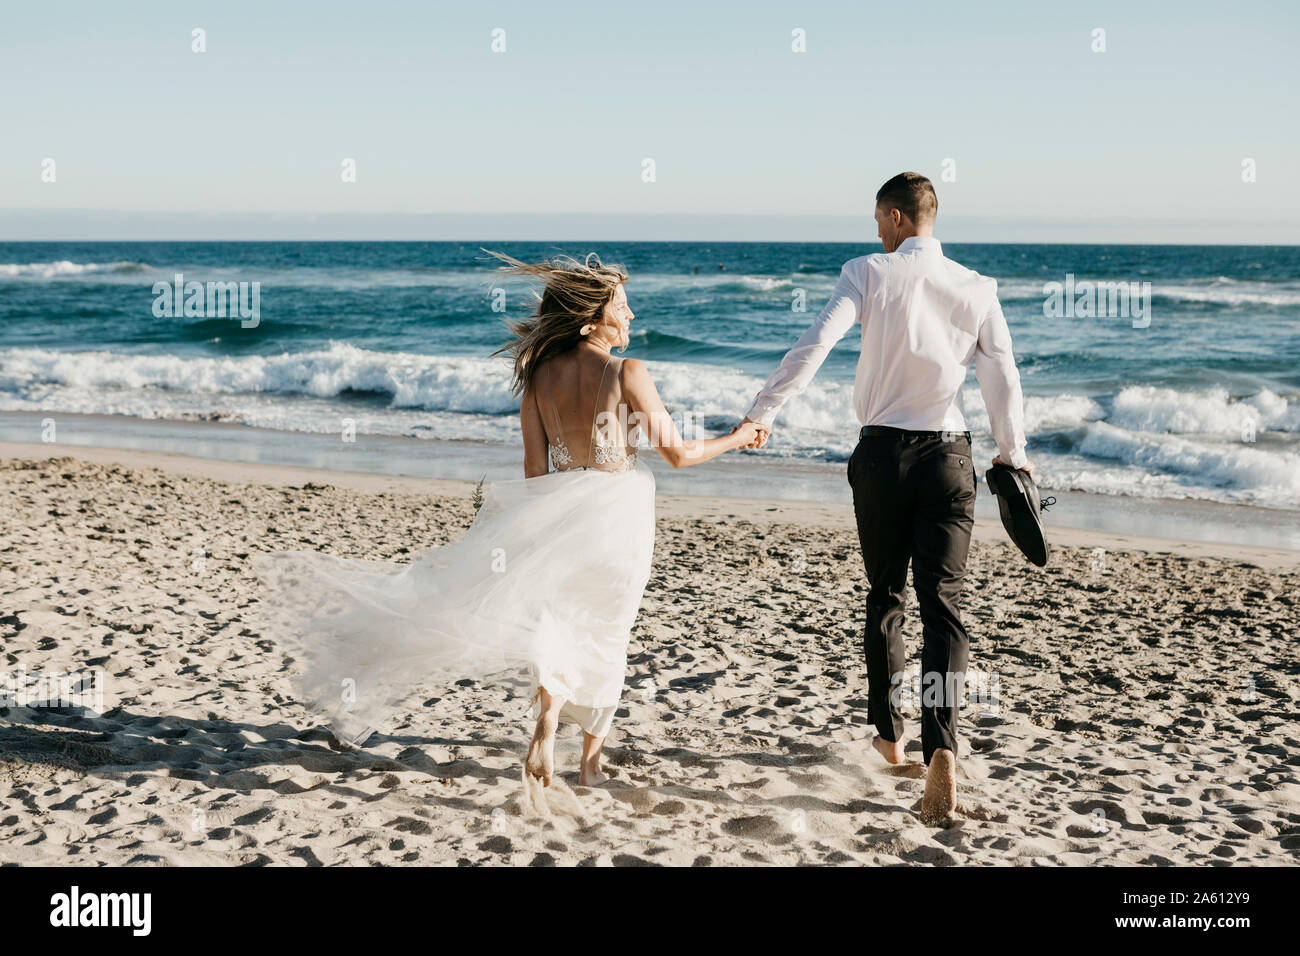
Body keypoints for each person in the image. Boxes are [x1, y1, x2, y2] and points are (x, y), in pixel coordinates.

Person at [254, 251, 761, 789]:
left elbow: (533, 469)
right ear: (592, 319)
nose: (632, 315)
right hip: (620, 515)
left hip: (558, 510)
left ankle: (547, 721)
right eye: (624, 306)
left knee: (559, 620)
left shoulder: (540, 375)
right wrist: (740, 435)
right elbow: (678, 454)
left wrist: (519, 531)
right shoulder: (627, 372)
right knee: (608, 632)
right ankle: (589, 763)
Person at [735, 172, 1031, 825]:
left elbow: (816, 344)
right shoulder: (977, 287)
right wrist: (1015, 456)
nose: (875, 230)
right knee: (945, 607)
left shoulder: (868, 271)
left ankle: (889, 737)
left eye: (878, 219)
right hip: (951, 457)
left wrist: (764, 411)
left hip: (881, 459)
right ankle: (941, 749)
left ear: (897, 218)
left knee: (887, 597)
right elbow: (1001, 376)